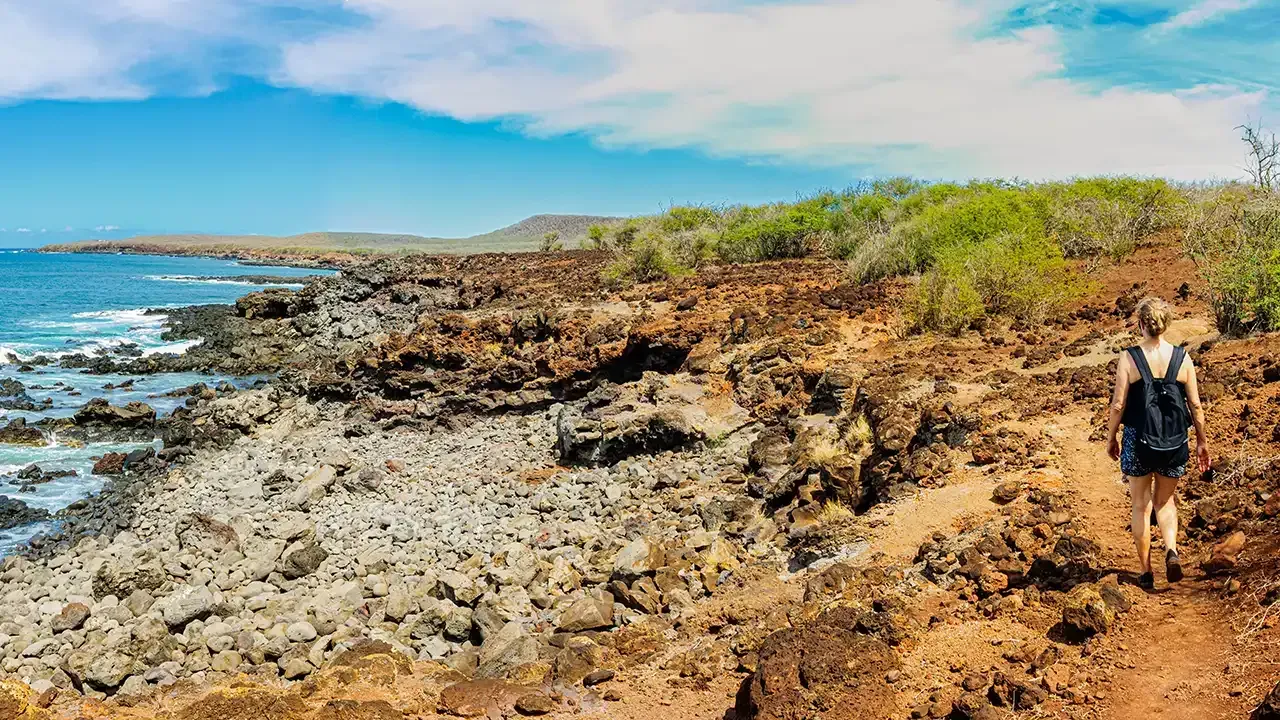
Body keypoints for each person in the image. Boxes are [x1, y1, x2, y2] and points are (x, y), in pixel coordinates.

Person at [1105, 297, 1211, 590]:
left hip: (1137, 441)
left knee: (1140, 505)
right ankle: (1172, 551)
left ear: (1141, 324)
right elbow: (1196, 406)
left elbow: (1118, 404)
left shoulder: (1129, 358)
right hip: (1175, 443)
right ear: (1166, 325)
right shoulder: (1183, 358)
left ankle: (1145, 571)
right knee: (1165, 502)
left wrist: (1111, 436)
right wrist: (1201, 441)